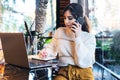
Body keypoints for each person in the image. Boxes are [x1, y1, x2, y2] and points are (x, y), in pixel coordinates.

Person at [38, 3, 96, 80]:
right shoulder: (60, 32)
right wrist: (45, 52)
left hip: (84, 72)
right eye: (65, 18)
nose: (66, 22)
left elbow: (85, 62)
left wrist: (77, 37)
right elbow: (51, 48)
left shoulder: (89, 37)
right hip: (64, 71)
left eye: (70, 18)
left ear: (80, 20)